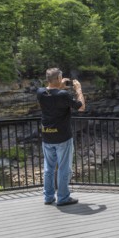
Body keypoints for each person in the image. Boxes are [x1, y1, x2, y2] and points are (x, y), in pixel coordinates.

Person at [37, 68, 86, 206]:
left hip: (47, 136)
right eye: (61, 77)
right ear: (59, 78)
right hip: (63, 137)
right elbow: (81, 107)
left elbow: (52, 95)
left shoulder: (40, 92)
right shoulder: (63, 95)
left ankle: (48, 197)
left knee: (49, 168)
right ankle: (63, 198)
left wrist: (59, 86)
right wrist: (78, 90)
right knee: (64, 168)